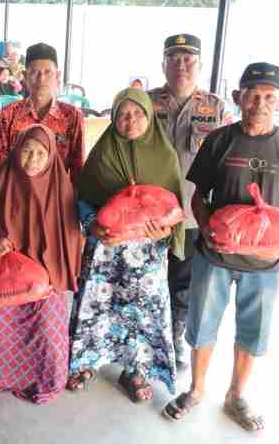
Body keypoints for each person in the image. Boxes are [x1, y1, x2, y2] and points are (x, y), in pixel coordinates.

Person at [162, 63, 279, 433]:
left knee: (252, 330)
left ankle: (236, 396)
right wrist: (207, 230)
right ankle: (197, 389)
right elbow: (199, 196)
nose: (259, 104)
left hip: (264, 264)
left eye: (269, 97)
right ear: (238, 97)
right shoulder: (219, 140)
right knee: (202, 323)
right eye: (252, 95)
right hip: (215, 255)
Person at [69, 87, 184, 402]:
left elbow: (176, 209)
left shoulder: (165, 157)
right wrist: (93, 226)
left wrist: (164, 232)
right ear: (114, 119)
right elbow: (82, 198)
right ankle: (87, 361)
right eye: (122, 114)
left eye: (137, 114)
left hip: (146, 252)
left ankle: (136, 370)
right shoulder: (103, 153)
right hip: (106, 250)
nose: (130, 120)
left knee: (141, 310)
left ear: (149, 117)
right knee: (97, 304)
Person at [0, 124, 82, 403]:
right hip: (8, 271)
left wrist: (53, 272)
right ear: (16, 150)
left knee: (47, 331)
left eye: (41, 153)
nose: (32, 160)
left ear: (51, 156)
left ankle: (44, 379)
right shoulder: (1, 179)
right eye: (27, 151)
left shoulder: (60, 187)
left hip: (47, 272)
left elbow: (69, 236)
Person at [147, 34, 232, 370]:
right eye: (174, 59)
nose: (181, 66)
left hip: (191, 214)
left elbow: (225, 162)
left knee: (183, 283)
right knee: (147, 279)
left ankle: (174, 339)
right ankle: (147, 338)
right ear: (163, 64)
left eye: (188, 60)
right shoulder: (147, 101)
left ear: (199, 65)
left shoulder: (216, 107)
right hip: (149, 215)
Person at [0, 43, 84, 179]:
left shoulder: (72, 116)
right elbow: (0, 164)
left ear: (57, 76)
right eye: (35, 72)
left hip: (57, 190)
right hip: (18, 188)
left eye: (48, 72)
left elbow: (78, 167)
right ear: (25, 76)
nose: (41, 79)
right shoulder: (9, 114)